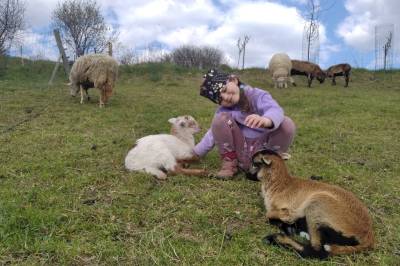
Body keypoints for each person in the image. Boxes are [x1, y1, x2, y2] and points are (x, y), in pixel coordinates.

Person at [193, 69, 296, 180]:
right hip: (241, 154)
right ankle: (230, 164)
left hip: (263, 151)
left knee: (286, 123)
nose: (226, 97)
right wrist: (195, 153)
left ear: (234, 80)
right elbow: (212, 133)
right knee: (220, 119)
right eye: (220, 98)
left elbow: (274, 109)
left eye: (224, 89)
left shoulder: (257, 95)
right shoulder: (224, 111)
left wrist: (267, 119)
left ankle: (270, 166)